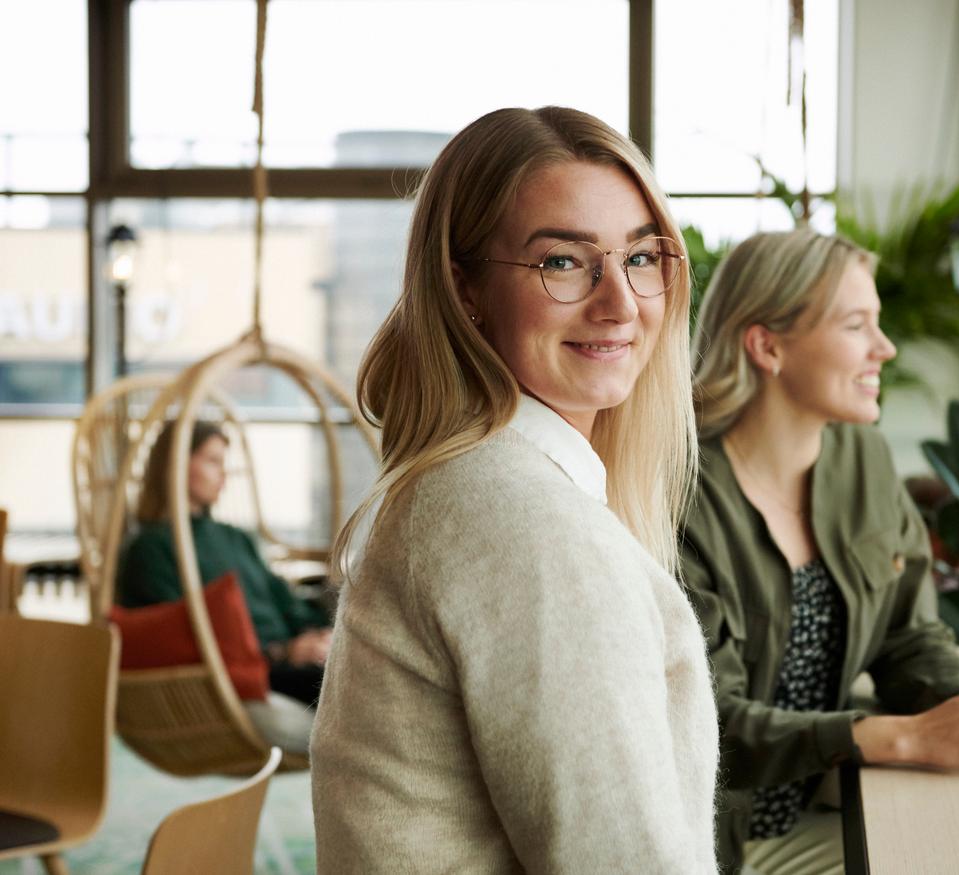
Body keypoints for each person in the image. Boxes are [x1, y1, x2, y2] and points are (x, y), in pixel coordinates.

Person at [309, 107, 719, 873]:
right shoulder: (526, 524)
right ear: (464, 290)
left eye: (640, 256)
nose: (621, 302)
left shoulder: (477, 484)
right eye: (562, 262)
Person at [681, 229, 959, 874]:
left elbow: (907, 640)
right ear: (767, 345)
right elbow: (710, 723)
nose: (885, 348)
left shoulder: (863, 461)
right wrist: (899, 736)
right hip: (710, 847)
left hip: (827, 814)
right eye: (856, 325)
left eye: (880, 324)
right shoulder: (680, 498)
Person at [119, 419, 332, 708]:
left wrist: (320, 632)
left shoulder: (236, 537)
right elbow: (185, 635)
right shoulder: (150, 548)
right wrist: (282, 652)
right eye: (213, 461)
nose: (224, 475)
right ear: (176, 464)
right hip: (248, 673)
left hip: (292, 659)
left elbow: (284, 601)